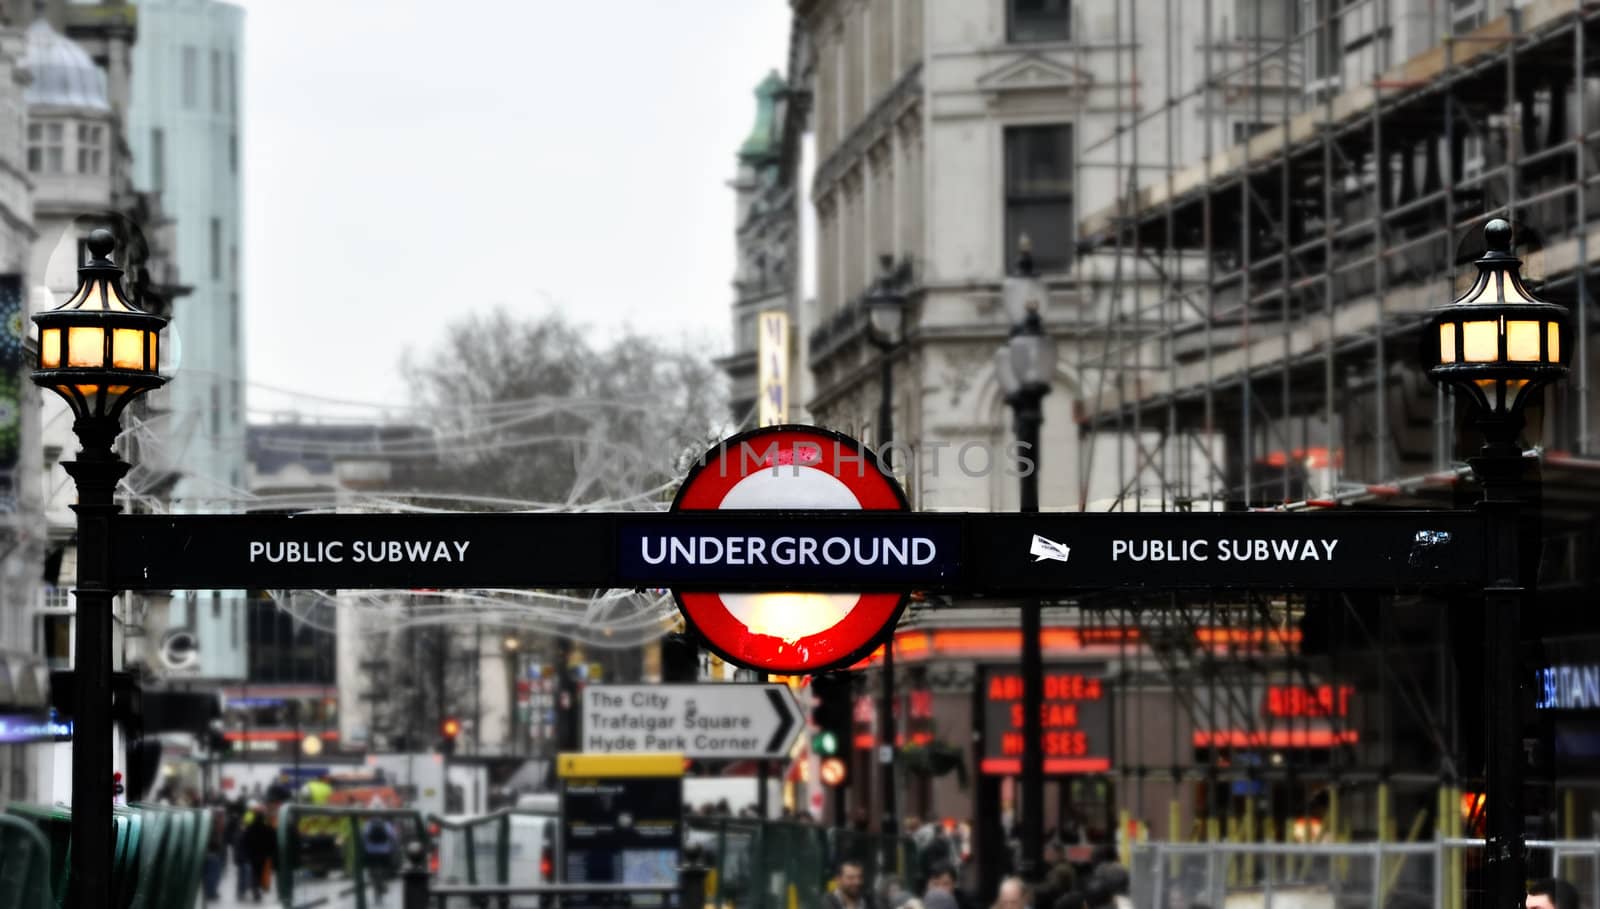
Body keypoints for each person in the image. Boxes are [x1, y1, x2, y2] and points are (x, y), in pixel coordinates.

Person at [243, 806, 277, 903]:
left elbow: (245, 840)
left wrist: (247, 851)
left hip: (252, 854)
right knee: (259, 871)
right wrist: (270, 852)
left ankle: (255, 887)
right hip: (263, 854)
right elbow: (273, 840)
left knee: (255, 871)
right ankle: (256, 888)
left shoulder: (250, 828)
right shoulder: (267, 829)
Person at [363, 815, 399, 905]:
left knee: (372, 870)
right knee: (385, 868)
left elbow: (363, 837)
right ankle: (384, 882)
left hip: (370, 851)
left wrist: (365, 849)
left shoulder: (367, 825)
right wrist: (393, 849)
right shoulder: (387, 825)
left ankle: (375, 883)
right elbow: (393, 838)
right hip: (384, 851)